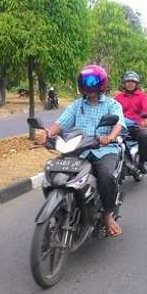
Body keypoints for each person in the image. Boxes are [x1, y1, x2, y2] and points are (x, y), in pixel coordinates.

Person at [36, 65, 126, 238]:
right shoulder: (77, 106)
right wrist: (47, 134)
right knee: (57, 173)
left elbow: (118, 124)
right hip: (78, 149)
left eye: (93, 82)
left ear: (101, 84)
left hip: (103, 149)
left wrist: (110, 137)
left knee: (105, 175)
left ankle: (108, 215)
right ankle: (62, 208)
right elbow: (61, 124)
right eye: (86, 82)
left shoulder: (112, 105)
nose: (89, 86)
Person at [115, 71, 147, 174]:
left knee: (143, 136)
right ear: (124, 83)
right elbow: (111, 110)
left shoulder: (142, 96)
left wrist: (144, 122)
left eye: (132, 81)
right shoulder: (118, 97)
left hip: (136, 126)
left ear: (136, 84)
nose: (130, 84)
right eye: (127, 81)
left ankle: (142, 162)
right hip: (121, 126)